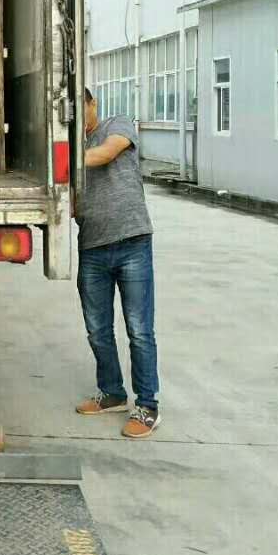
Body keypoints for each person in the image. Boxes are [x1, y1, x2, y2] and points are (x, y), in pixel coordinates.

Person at [73, 88, 161, 439]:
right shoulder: (71, 147)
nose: (76, 116)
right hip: (92, 247)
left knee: (139, 330)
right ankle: (112, 393)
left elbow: (107, 153)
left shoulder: (117, 125)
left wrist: (64, 158)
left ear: (92, 104)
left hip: (132, 243)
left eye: (80, 107)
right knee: (97, 329)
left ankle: (148, 405)